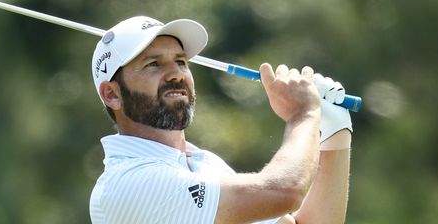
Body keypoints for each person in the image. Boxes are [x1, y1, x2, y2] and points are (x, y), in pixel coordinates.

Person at [89, 16, 353, 224]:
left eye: (181, 62)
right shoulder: (127, 184)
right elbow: (285, 193)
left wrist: (333, 132)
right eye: (153, 65)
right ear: (112, 94)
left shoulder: (203, 164)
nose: (176, 74)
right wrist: (303, 115)